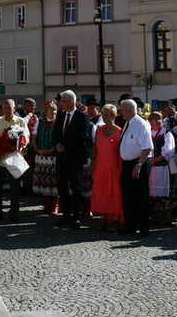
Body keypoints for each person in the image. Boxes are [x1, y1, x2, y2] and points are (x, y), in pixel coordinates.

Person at [52, 90, 89, 229]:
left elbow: (82, 137)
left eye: (65, 101)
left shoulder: (82, 116)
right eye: (62, 101)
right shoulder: (60, 115)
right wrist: (57, 144)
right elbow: (55, 133)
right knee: (62, 187)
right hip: (61, 158)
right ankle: (65, 215)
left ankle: (77, 217)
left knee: (76, 188)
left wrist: (65, 146)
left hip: (75, 157)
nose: (63, 103)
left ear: (73, 101)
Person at [0, 98, 30, 221]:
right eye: (5, 108)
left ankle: (14, 214)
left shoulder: (21, 122)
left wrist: (21, 143)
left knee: (15, 189)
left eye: (9, 108)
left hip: (14, 159)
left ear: (14, 109)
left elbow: (26, 138)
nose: (7, 110)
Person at [118, 97, 153, 237]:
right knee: (128, 196)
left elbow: (147, 147)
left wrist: (139, 164)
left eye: (122, 110)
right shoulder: (128, 122)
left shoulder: (141, 124)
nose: (121, 113)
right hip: (127, 164)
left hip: (139, 163)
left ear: (130, 110)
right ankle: (130, 225)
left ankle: (144, 227)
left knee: (141, 196)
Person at [91, 103, 123, 231]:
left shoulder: (119, 132)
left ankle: (114, 219)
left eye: (107, 115)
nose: (104, 117)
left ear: (113, 116)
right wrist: (93, 162)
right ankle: (104, 217)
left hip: (114, 168)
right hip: (100, 167)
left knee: (114, 194)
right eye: (103, 114)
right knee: (101, 192)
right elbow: (95, 148)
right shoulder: (98, 130)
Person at [32, 98, 60, 214]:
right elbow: (34, 138)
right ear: (46, 111)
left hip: (54, 157)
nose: (53, 112)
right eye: (50, 110)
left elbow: (60, 140)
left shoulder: (59, 123)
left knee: (54, 182)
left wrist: (50, 150)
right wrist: (37, 149)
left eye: (54, 110)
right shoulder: (40, 122)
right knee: (44, 182)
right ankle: (46, 205)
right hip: (41, 156)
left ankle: (55, 206)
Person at [148, 111, 175, 225]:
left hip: (162, 167)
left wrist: (157, 159)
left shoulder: (166, 133)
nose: (158, 121)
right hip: (150, 167)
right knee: (152, 193)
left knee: (164, 193)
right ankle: (155, 216)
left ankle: (166, 217)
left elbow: (169, 149)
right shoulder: (147, 132)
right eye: (154, 119)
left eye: (159, 119)